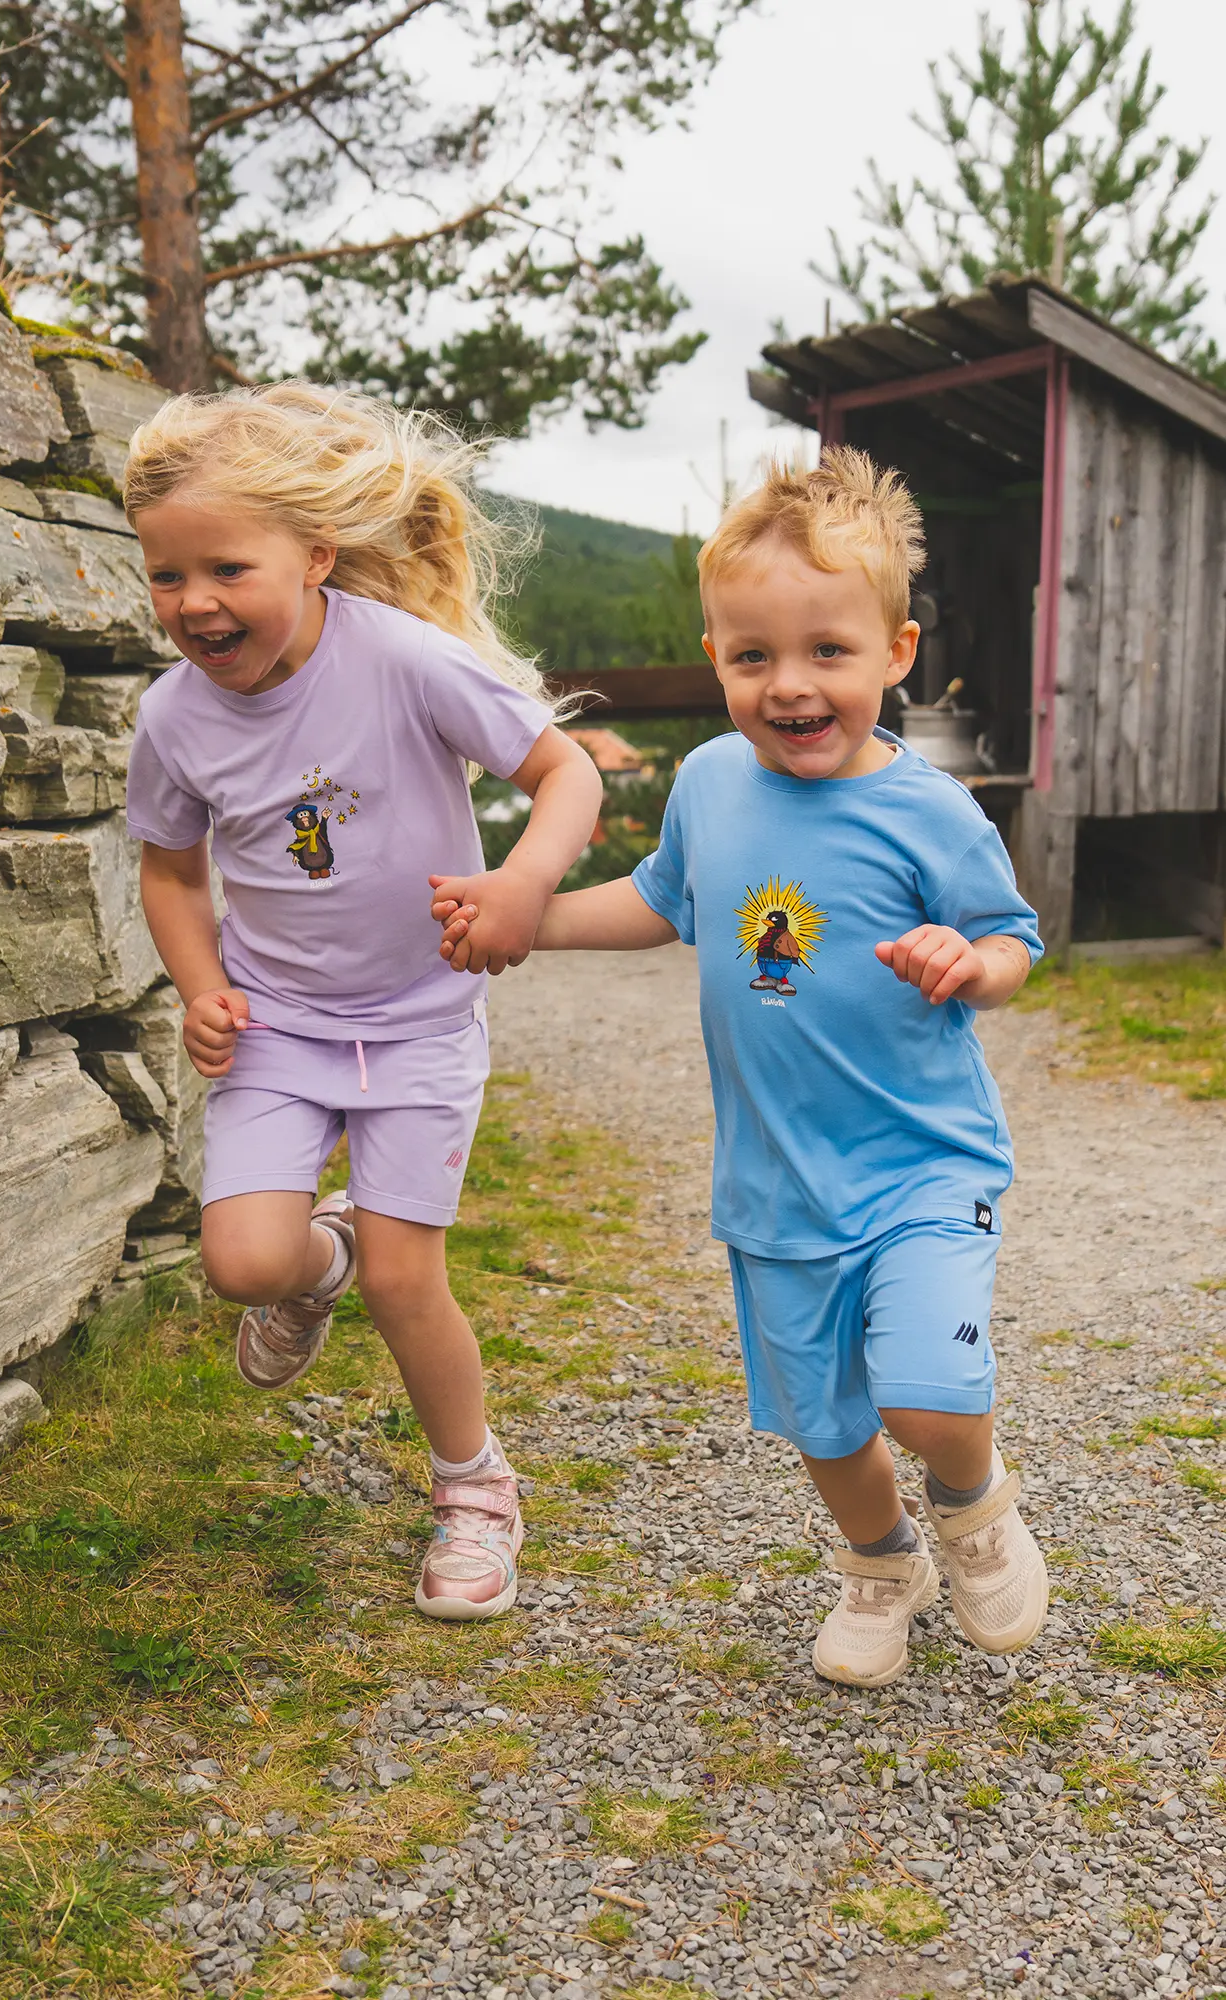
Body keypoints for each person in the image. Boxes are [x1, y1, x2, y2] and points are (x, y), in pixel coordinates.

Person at [434, 448, 1048, 1687]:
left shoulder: (929, 810)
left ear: (894, 650)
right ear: (714, 656)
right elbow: (663, 901)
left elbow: (1012, 940)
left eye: (827, 650)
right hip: (775, 1185)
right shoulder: (709, 784)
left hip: (920, 1163)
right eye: (751, 655)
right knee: (823, 1425)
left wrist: (965, 961)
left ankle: (972, 1505)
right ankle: (881, 1562)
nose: (790, 684)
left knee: (928, 1395)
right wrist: (524, 910)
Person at [122, 385, 603, 1622]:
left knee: (408, 1278)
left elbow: (562, 772)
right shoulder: (171, 719)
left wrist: (521, 881)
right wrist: (202, 985)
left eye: (226, 566)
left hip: (421, 1019)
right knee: (242, 1261)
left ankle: (473, 1484)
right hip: (277, 1022)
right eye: (166, 574)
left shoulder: (399, 659)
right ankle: (312, 1261)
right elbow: (171, 867)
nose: (194, 603)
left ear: (316, 553)